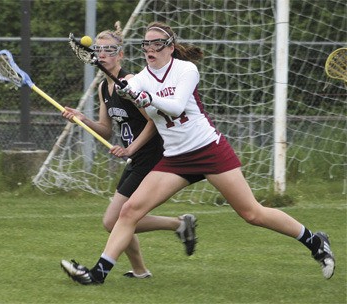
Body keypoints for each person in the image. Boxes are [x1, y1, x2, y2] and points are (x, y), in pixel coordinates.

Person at [63, 21, 335, 285]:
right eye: (147, 43)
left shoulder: (186, 69)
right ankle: (98, 274)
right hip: (175, 157)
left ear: (170, 47)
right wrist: (132, 93)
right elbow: (135, 95)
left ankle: (314, 240)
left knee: (252, 214)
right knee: (129, 211)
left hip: (208, 149)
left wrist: (147, 98)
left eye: (158, 43)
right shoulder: (141, 78)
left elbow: (177, 106)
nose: (151, 48)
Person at [60, 22, 198, 282]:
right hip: (134, 157)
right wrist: (80, 118)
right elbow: (104, 129)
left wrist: (131, 148)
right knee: (118, 219)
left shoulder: (131, 82)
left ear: (120, 54)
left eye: (109, 50)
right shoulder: (104, 88)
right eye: (98, 50)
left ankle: (176, 227)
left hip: (150, 155)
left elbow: (153, 121)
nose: (102, 54)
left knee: (115, 220)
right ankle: (145, 264)